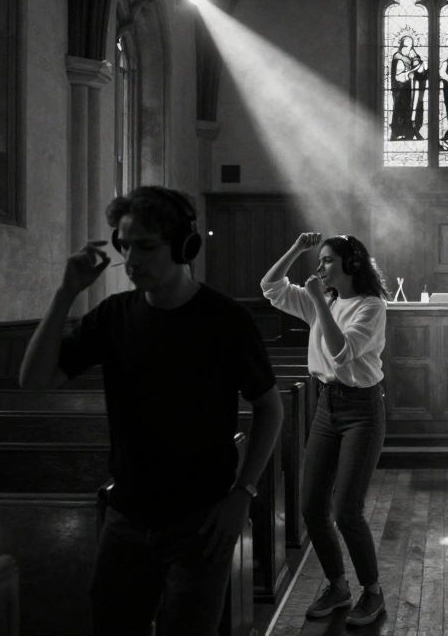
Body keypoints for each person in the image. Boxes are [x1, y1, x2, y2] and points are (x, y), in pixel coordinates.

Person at [19, 185, 284, 636]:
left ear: (184, 246)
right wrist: (66, 293)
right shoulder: (112, 316)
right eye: (125, 246)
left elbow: (269, 408)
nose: (131, 261)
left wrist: (244, 494)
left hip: (201, 521)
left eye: (145, 246)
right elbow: (34, 380)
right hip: (126, 516)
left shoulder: (225, 321)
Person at [261, 232, 389, 626]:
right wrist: (296, 248)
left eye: (327, 260)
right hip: (325, 406)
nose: (319, 268)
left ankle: (373, 593)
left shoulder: (371, 306)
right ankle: (338, 586)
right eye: (318, 260)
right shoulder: (326, 300)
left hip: (361, 411)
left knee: (346, 510)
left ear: (351, 265)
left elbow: (340, 351)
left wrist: (318, 300)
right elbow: (270, 287)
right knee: (311, 507)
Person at [389, 35, 427, 141]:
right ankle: (398, 133)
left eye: (411, 42)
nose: (409, 43)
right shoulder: (398, 57)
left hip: (413, 88)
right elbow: (398, 76)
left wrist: (417, 62)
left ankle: (413, 130)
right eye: (407, 41)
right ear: (402, 43)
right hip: (402, 90)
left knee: (414, 110)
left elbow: (420, 69)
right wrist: (409, 73)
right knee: (403, 110)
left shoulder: (412, 55)